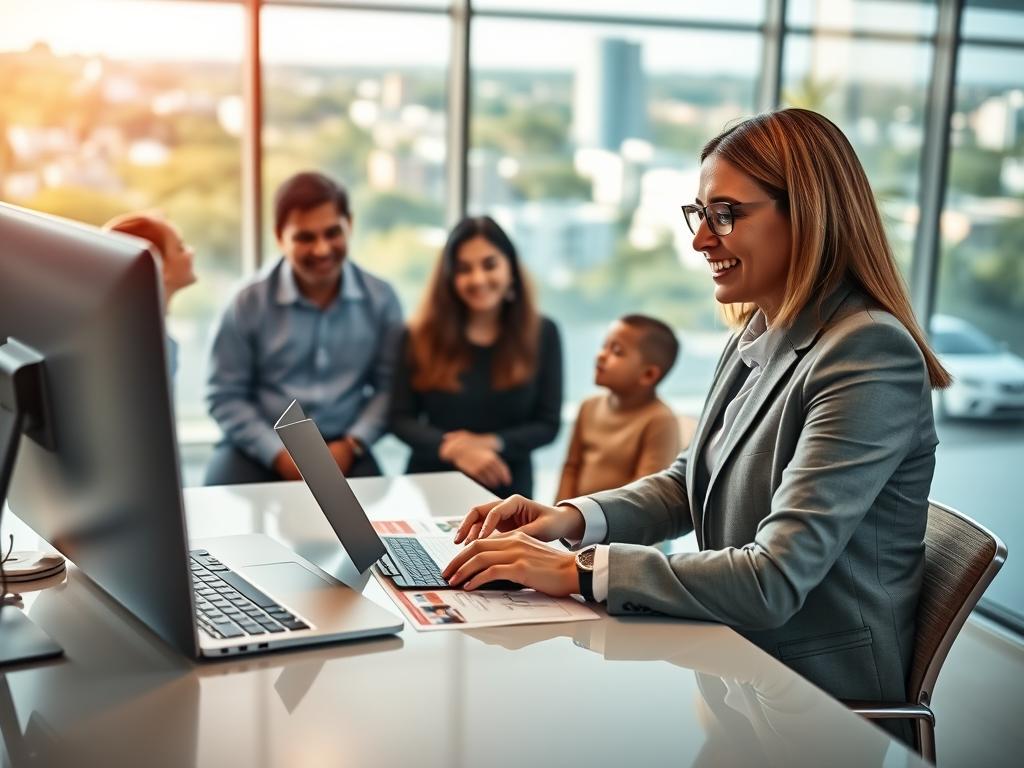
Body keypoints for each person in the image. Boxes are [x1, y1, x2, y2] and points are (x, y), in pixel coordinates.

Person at [443, 109, 951, 743]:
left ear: (808, 213)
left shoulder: (868, 353)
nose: (700, 241)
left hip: (813, 701)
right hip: (733, 667)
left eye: (725, 215)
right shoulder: (760, 332)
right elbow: (691, 484)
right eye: (700, 215)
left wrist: (577, 571)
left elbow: (773, 580)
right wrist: (566, 520)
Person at [205, 171, 403, 485]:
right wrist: (278, 454)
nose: (322, 249)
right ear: (279, 237)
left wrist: (352, 444)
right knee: (219, 522)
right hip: (258, 447)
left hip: (345, 447)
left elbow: (389, 388)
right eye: (305, 237)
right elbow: (225, 396)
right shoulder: (247, 301)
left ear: (349, 225)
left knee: (373, 527)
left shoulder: (381, 299)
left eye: (332, 233)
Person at [389, 215, 562, 498]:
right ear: (449, 277)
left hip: (507, 489)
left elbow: (547, 424)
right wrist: (454, 449)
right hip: (429, 486)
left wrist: (490, 444)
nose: (478, 279)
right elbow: (400, 418)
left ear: (511, 269)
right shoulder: (418, 334)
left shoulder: (543, 333)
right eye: (464, 269)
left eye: (489, 264)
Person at [556, 314, 681, 502]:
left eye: (616, 351)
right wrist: (557, 514)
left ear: (648, 374)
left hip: (618, 526)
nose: (601, 355)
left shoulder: (660, 420)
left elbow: (644, 494)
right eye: (604, 346)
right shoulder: (588, 406)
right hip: (572, 521)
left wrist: (588, 521)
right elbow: (571, 468)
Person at [103, 212, 197, 380]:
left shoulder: (154, 339)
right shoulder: (141, 348)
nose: (191, 252)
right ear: (159, 266)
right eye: (180, 248)